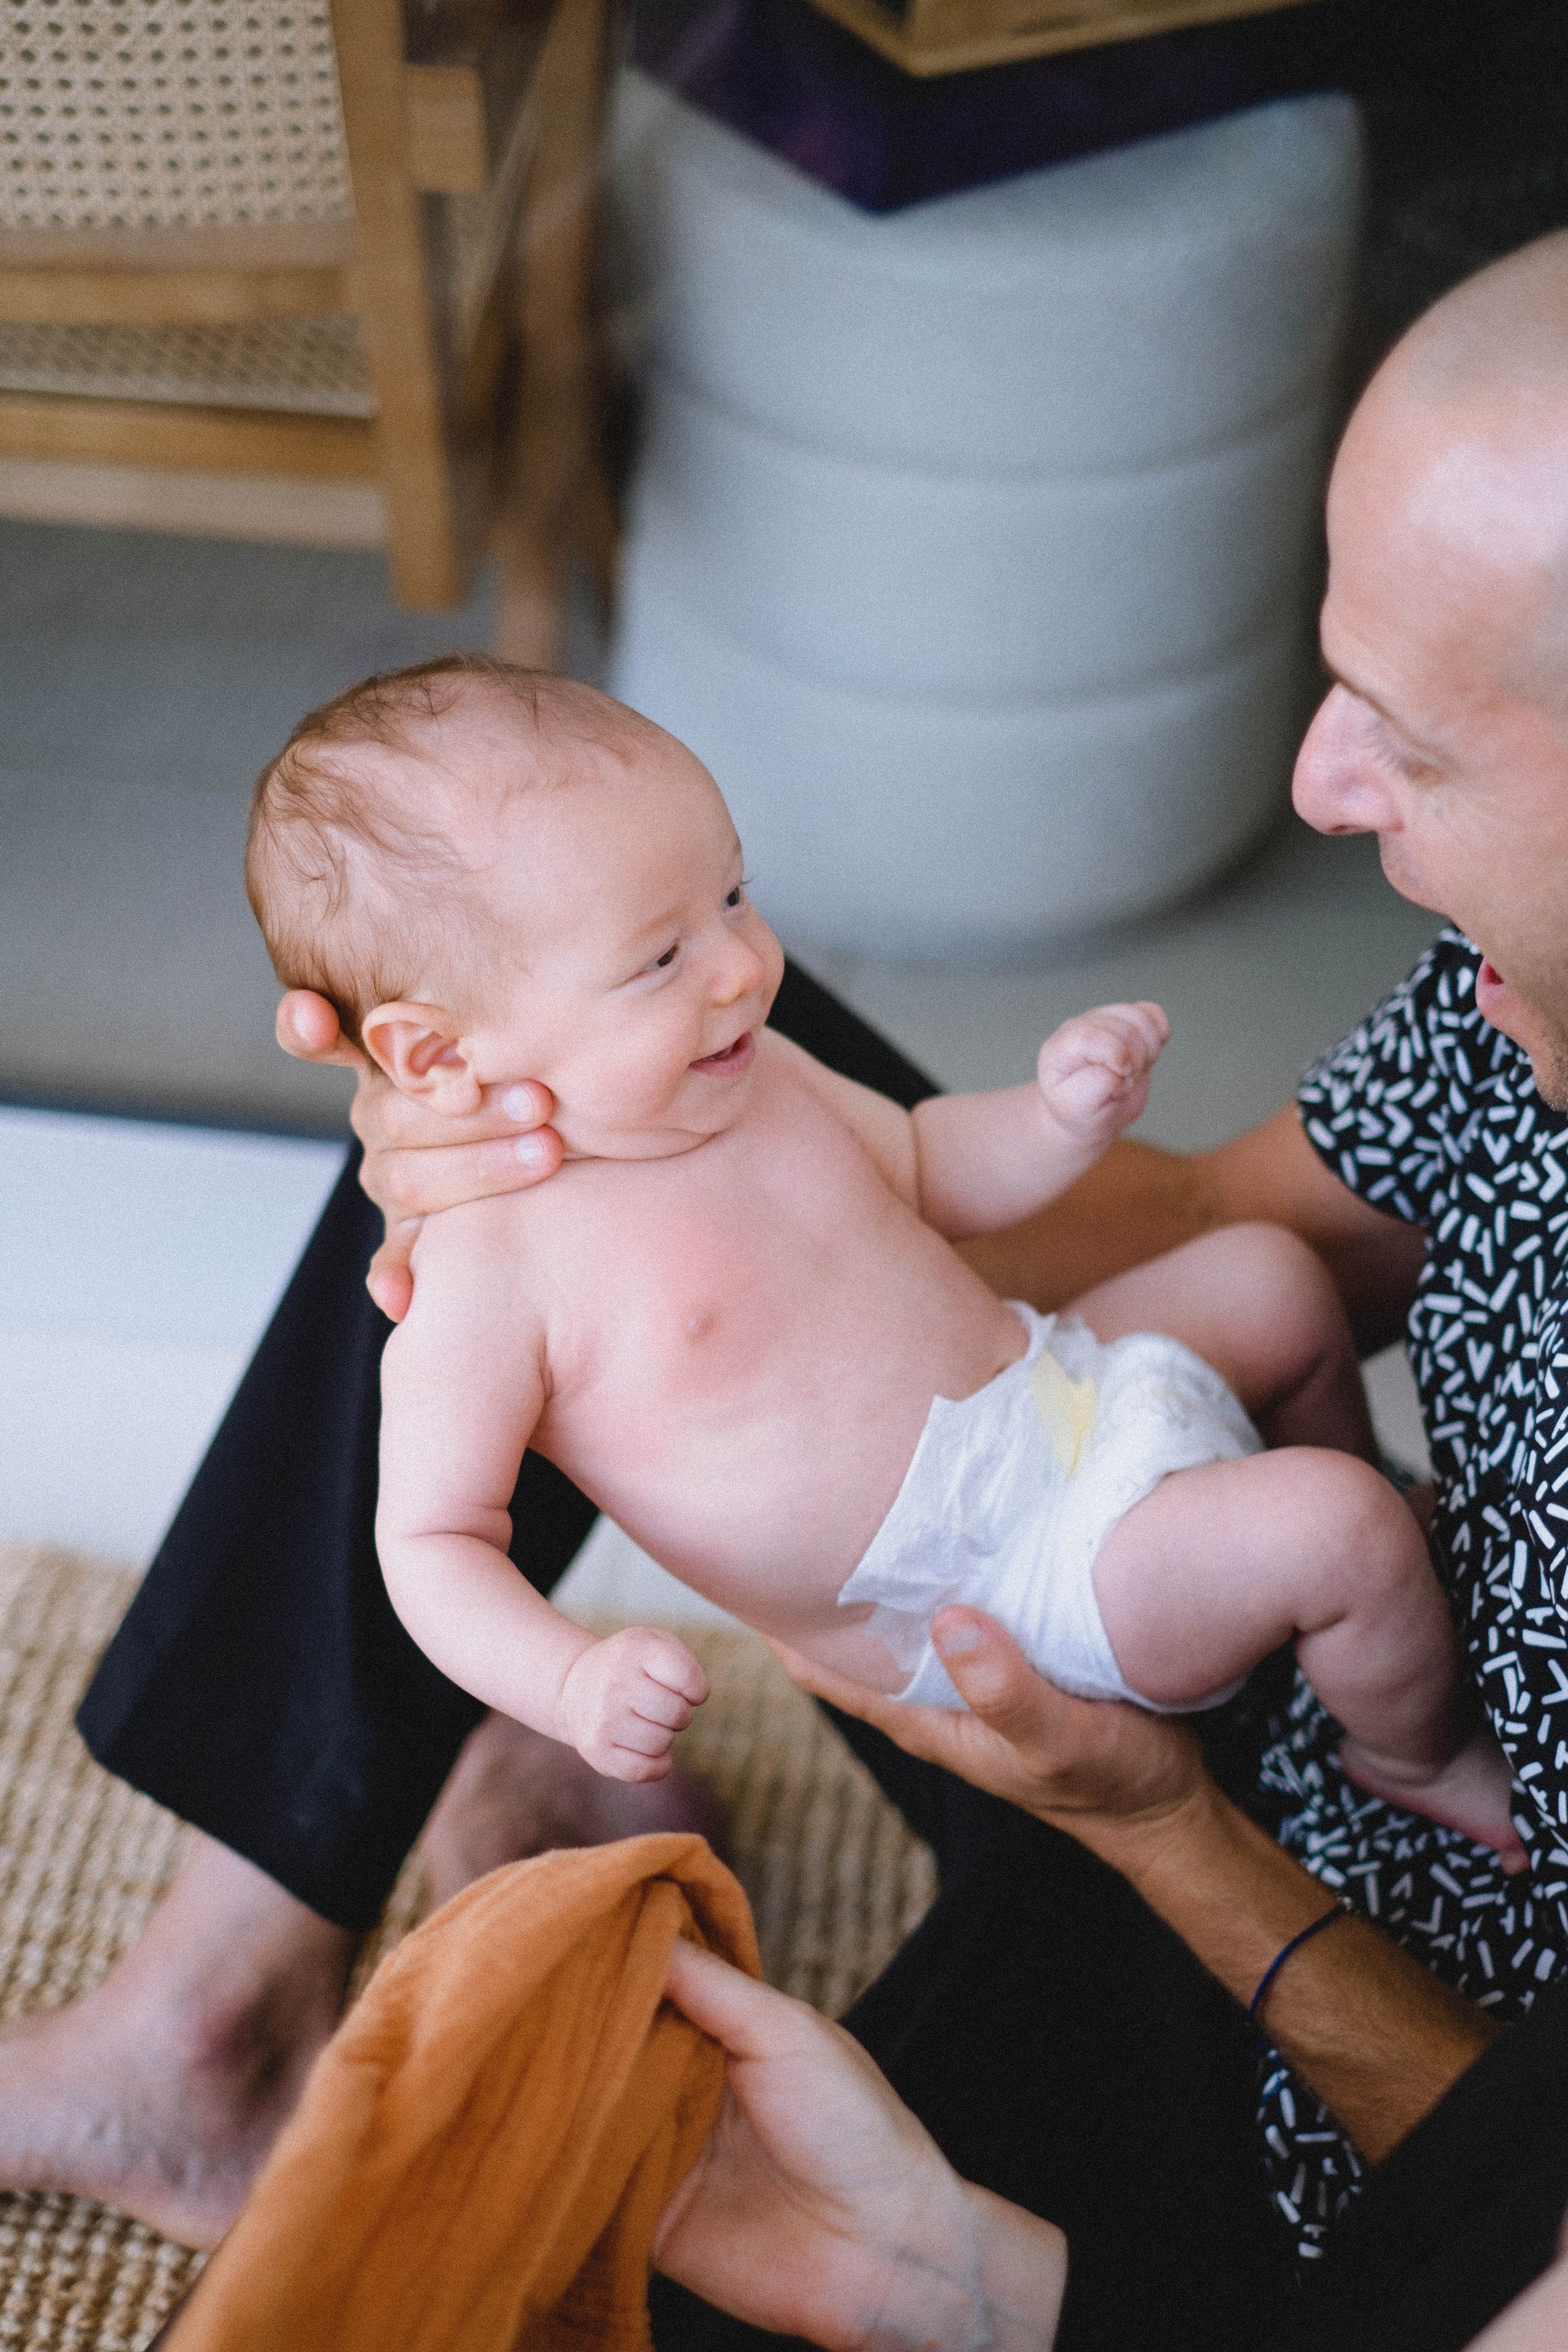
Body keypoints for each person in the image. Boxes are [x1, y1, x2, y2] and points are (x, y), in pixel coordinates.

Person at [0, 222, 1565, 2346]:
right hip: (1114, 1566)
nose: (1313, 784)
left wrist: (1164, 1833)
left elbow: (1508, 2234)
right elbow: (1217, 1230)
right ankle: (207, 2027)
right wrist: (579, 1136)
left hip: (1339, 2045)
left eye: (1414, 744)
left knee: (623, 2281)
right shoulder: (1512, 1006)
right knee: (595, 1084)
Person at [244, 658, 1512, 1859]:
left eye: (732, 896)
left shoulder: (750, 1076)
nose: (743, 966)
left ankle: (1362, 1572)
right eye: (660, 956)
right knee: (1333, 1535)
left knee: (1268, 1278)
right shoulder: (486, 1278)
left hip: (1058, 1390)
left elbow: (922, 1166)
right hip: (1002, 1591)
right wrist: (568, 1679)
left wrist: (1053, 1118)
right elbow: (430, 1545)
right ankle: (1411, 1751)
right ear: (431, 1059)